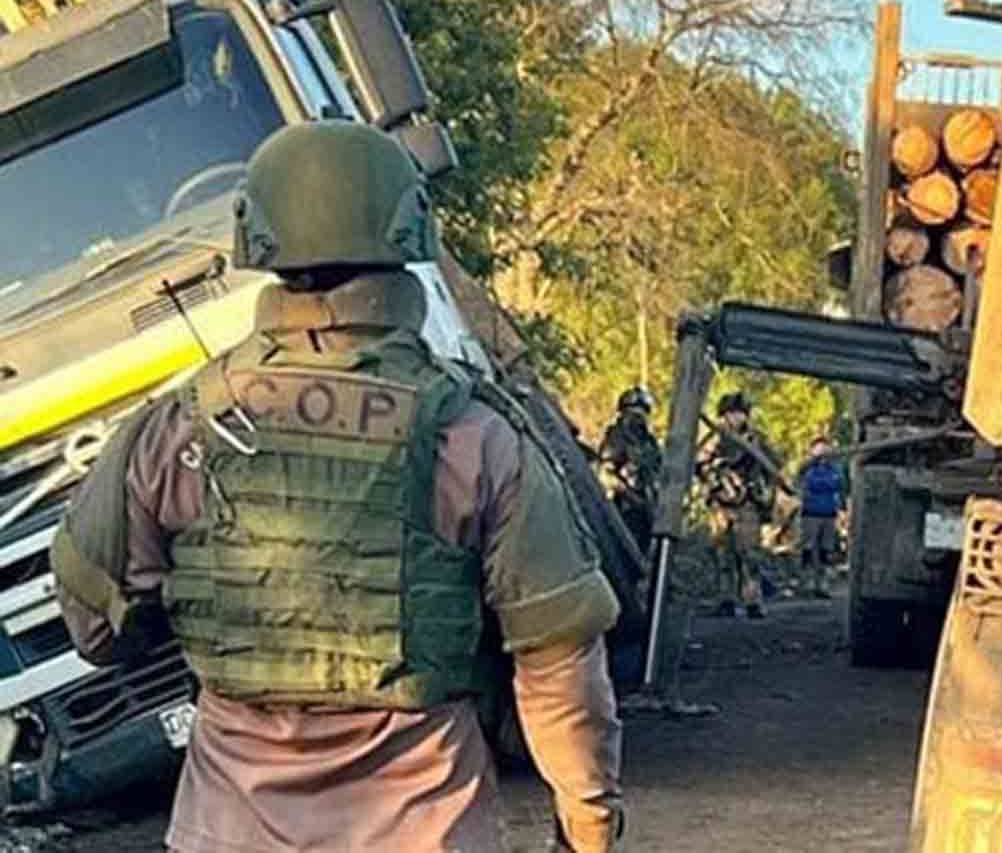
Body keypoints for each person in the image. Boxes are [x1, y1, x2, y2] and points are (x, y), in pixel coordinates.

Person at [50, 122, 623, 853]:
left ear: (257, 237)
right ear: (407, 231)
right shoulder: (474, 433)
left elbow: (93, 627)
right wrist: (588, 822)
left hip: (226, 829)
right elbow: (560, 667)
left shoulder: (182, 427)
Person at [698, 391, 787, 619]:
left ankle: (753, 601)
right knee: (722, 555)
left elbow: (775, 464)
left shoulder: (756, 439)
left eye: (739, 413)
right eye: (731, 414)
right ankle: (726, 599)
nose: (736, 418)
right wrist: (714, 468)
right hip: (720, 504)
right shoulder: (714, 439)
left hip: (747, 504)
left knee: (750, 556)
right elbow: (699, 464)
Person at [598, 386, 662, 554]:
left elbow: (658, 470)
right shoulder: (616, 437)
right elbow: (606, 475)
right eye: (633, 412)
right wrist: (630, 496)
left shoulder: (649, 442)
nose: (638, 418)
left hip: (646, 510)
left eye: (642, 413)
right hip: (623, 509)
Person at [797, 439, 847, 598]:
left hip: (829, 513)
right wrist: (824, 484)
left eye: (825, 448)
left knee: (826, 550)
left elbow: (838, 483)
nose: (822, 452)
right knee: (808, 549)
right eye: (819, 449)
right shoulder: (807, 467)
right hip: (810, 513)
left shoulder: (835, 468)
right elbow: (808, 483)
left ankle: (822, 585)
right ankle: (807, 583)